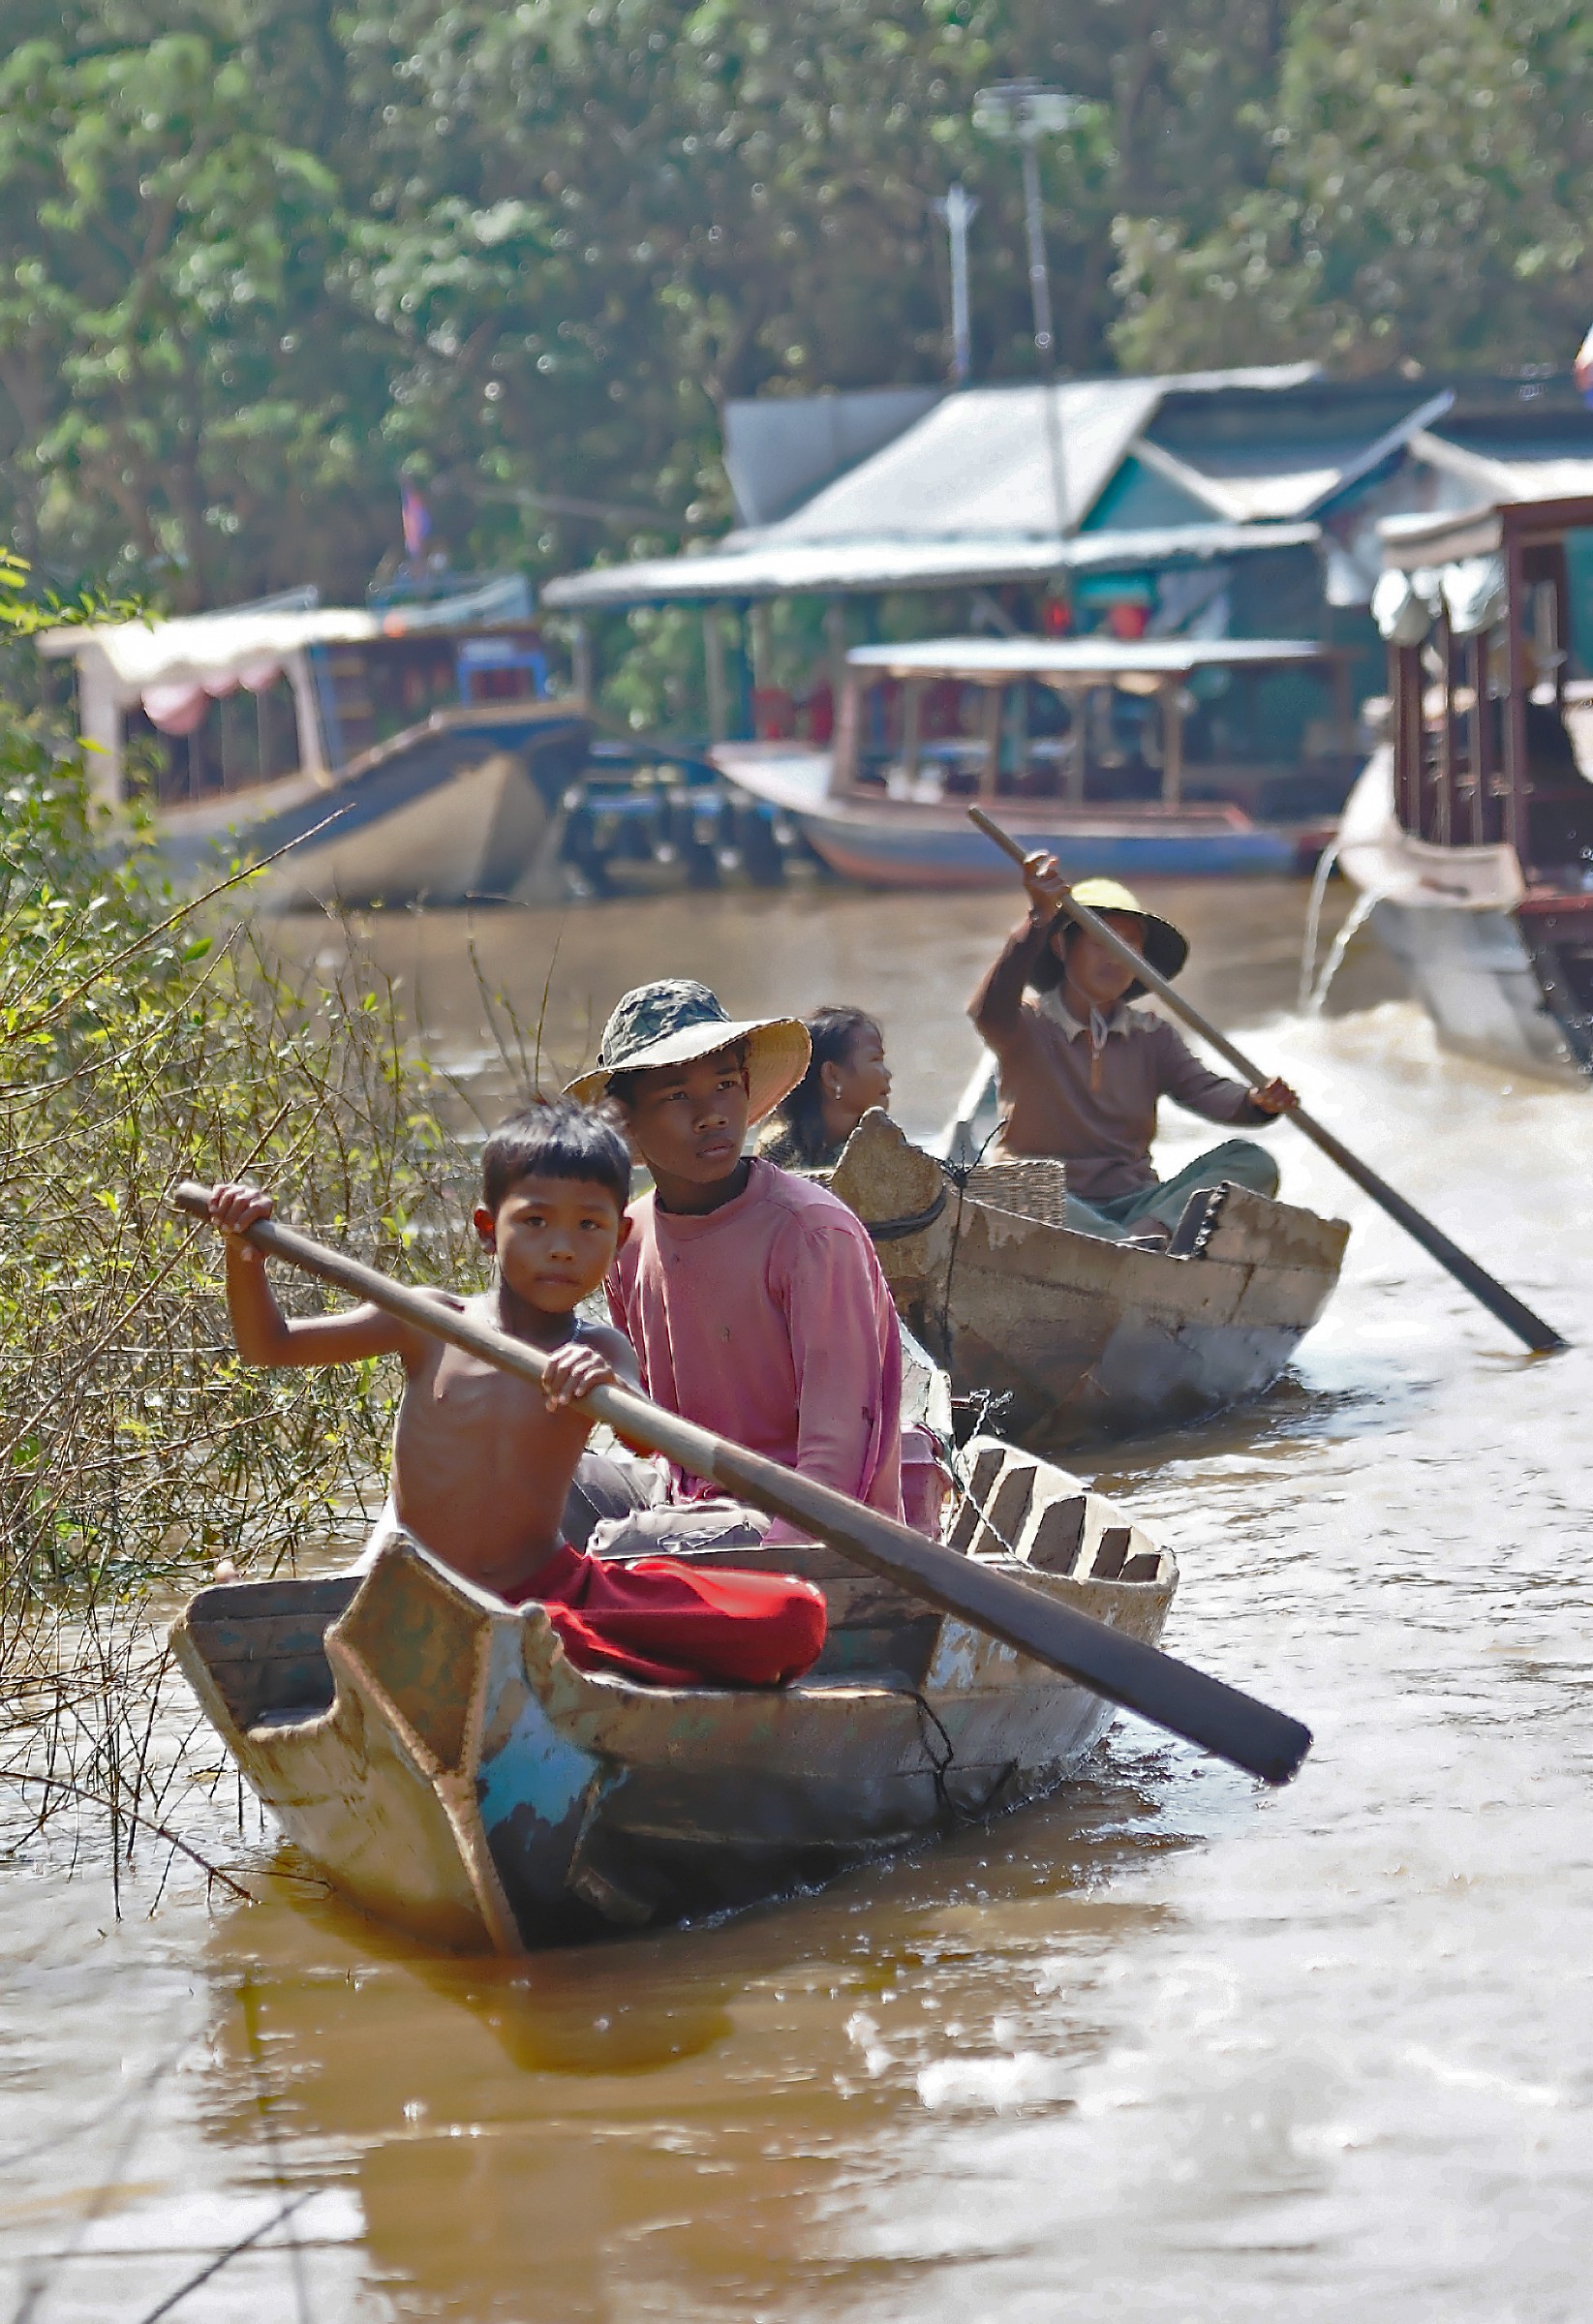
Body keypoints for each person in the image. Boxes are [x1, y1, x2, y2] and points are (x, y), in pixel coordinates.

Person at [204, 1099, 826, 1689]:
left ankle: (541, 1647)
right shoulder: (428, 1320)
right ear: (485, 1228)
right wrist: (244, 1255)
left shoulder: (601, 1349)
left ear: (618, 1238)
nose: (562, 1246)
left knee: (795, 1615)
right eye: (534, 1221)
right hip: (427, 1597)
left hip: (549, 1592)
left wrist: (603, 1387)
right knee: (433, 1634)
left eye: (589, 1225)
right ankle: (517, 1648)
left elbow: (644, 1435)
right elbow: (271, 1347)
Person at [564, 979, 907, 1553]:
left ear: (747, 1091)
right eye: (676, 1096)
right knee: (521, 1478)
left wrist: (783, 1575)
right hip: (687, 1500)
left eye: (724, 1086)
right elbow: (650, 1439)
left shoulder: (811, 1235)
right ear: (625, 1122)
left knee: (627, 1548)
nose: (710, 1116)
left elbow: (837, 1460)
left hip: (807, 1525)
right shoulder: (626, 1241)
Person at [968, 856, 1298, 1246]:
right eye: (1101, 941)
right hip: (1053, 1201)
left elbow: (1207, 1092)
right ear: (1062, 946)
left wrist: (1257, 1101)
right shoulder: (1026, 1024)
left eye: (1129, 944)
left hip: (1136, 1206)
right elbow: (987, 1010)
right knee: (1005, 1187)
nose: (1115, 956)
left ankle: (1143, 1240)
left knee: (1252, 1161)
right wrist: (1039, 918)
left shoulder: (1152, 1036)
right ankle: (1121, 1246)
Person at [754, 1004, 892, 1171]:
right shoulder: (779, 1152)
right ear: (832, 1076)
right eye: (876, 1059)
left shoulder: (882, 1143)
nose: (888, 1074)